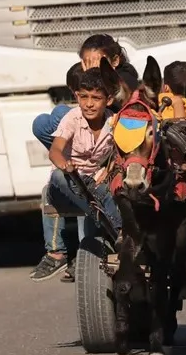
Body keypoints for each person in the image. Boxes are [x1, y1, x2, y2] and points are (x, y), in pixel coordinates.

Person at [31, 67, 121, 282]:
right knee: (56, 179)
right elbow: (55, 150)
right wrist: (66, 166)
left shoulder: (114, 121)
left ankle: (121, 235)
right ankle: (113, 228)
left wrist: (107, 172)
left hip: (97, 184)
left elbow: (119, 154)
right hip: (70, 181)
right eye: (83, 97)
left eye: (96, 98)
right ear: (77, 97)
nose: (89, 104)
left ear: (108, 100)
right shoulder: (72, 118)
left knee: (111, 187)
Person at [32, 34, 138, 148]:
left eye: (98, 62)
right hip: (92, 124)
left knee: (60, 112)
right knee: (41, 123)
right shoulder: (83, 74)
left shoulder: (126, 76)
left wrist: (97, 74)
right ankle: (72, 156)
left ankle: (89, 157)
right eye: (87, 62)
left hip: (112, 128)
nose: (91, 67)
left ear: (115, 61)